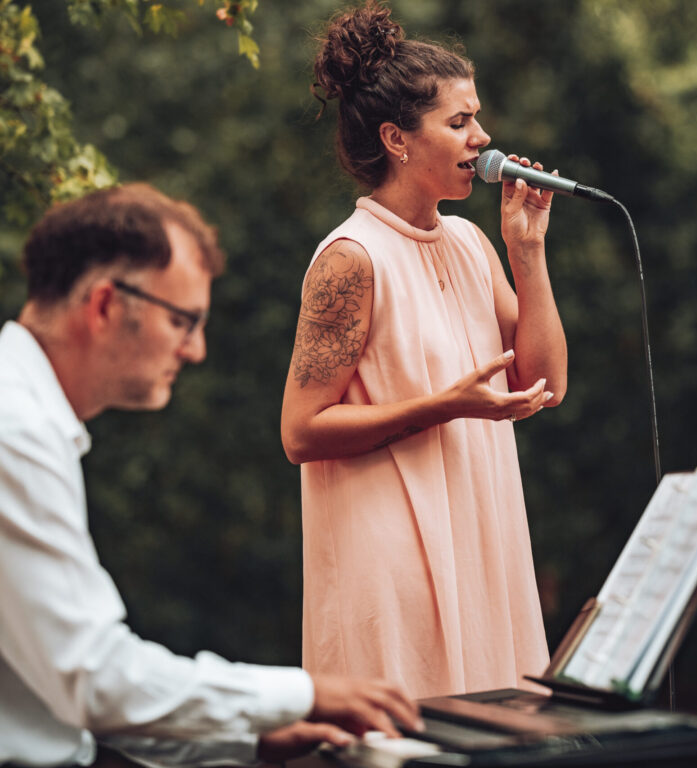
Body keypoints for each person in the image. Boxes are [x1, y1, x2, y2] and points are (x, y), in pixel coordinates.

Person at [0, 184, 421, 768]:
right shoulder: (13, 433)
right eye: (183, 321)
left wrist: (241, 742)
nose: (195, 350)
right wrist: (305, 693)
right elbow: (93, 677)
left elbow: (57, 686)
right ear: (104, 306)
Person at [281, 1, 567, 700]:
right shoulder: (352, 259)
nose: (483, 136)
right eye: (460, 121)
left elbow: (545, 382)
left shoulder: (471, 244)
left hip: (480, 540)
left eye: (478, 118)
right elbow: (300, 431)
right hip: (394, 560)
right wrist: (448, 407)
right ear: (397, 139)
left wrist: (526, 254)